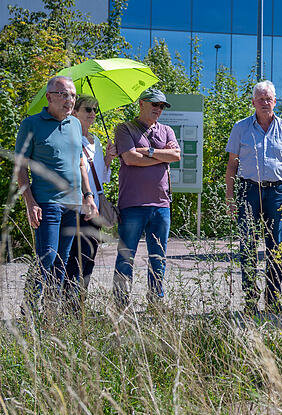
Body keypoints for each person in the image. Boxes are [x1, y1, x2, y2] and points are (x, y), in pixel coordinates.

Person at [14, 76, 97, 312]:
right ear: (49, 97)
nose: (69, 100)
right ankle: (29, 308)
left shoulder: (74, 124)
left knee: (62, 259)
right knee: (47, 256)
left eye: (72, 95)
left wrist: (88, 196)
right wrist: (30, 202)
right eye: (63, 94)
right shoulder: (31, 124)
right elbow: (20, 166)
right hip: (46, 202)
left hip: (73, 203)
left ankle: (51, 310)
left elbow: (81, 162)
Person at [225, 80, 282, 314]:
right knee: (247, 245)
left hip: (277, 192)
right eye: (261, 99)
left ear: (275, 101)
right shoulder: (240, 128)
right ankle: (249, 300)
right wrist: (229, 197)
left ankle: (273, 299)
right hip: (248, 191)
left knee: (274, 247)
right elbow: (231, 165)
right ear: (253, 103)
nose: (265, 103)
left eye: (269, 99)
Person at [113, 88, 180, 308]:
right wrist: (162, 157)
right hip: (132, 204)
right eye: (155, 104)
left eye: (162, 106)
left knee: (158, 257)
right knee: (126, 256)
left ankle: (156, 303)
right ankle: (121, 304)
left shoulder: (167, 130)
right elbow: (131, 159)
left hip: (161, 205)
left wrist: (148, 152)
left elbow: (176, 156)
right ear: (141, 103)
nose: (158, 109)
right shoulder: (125, 128)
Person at [64, 96, 116, 301]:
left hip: (94, 207)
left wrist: (109, 160)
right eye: (87, 109)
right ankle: (70, 303)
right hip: (76, 205)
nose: (93, 113)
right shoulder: (69, 138)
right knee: (74, 256)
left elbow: (102, 178)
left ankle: (80, 302)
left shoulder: (96, 141)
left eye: (95, 109)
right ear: (75, 112)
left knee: (90, 256)